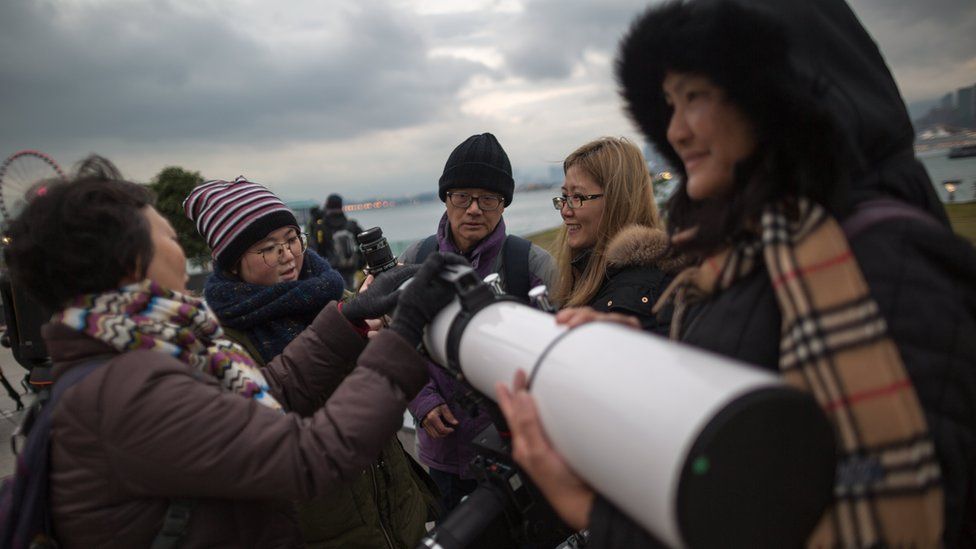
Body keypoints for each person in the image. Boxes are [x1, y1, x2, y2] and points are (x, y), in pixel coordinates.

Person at [496, 1, 976, 547]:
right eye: (669, 105)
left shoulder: (884, 259)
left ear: (781, 91)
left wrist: (593, 513)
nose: (674, 131)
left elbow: (886, 520)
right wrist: (657, 364)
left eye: (694, 97)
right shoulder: (750, 257)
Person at [3, 155, 464, 547]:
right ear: (129, 260)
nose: (182, 253)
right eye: (167, 236)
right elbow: (307, 459)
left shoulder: (136, 349)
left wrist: (350, 317)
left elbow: (266, 391)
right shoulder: (131, 387)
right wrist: (400, 339)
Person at [185, 177, 438, 548]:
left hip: (398, 510)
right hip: (319, 528)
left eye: (292, 238)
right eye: (269, 248)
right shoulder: (220, 340)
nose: (288, 255)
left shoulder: (334, 294)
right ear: (232, 262)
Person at [400, 132, 557, 515]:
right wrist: (421, 402)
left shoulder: (532, 266)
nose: (474, 209)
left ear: (504, 205)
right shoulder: (415, 259)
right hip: (441, 451)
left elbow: (554, 364)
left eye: (488, 198)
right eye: (462, 196)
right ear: (446, 198)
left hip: (515, 451)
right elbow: (394, 342)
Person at [551, 136, 682, 332]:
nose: (565, 211)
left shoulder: (638, 294)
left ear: (618, 201)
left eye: (577, 197)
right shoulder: (590, 274)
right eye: (564, 197)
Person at [316, 193, 365, 290]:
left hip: (332, 269)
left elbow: (318, 251)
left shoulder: (321, 227)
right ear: (341, 205)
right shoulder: (351, 225)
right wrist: (360, 261)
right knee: (352, 293)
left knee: (338, 296)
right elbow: (366, 241)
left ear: (327, 206)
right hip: (352, 268)